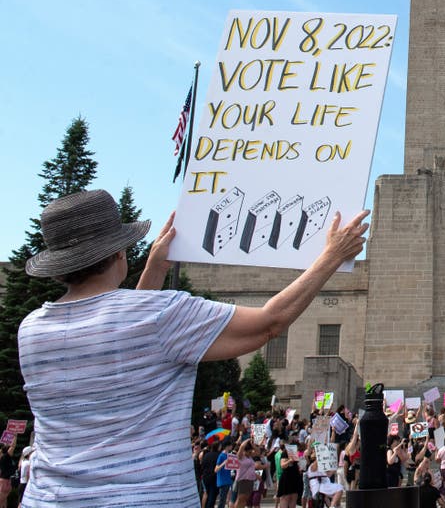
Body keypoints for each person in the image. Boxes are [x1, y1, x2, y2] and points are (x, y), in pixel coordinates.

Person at [16, 188, 369, 507]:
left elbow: (123, 339)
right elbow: (269, 323)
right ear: (119, 252)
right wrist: (331, 256)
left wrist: (154, 269)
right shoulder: (161, 314)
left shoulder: (31, 329)